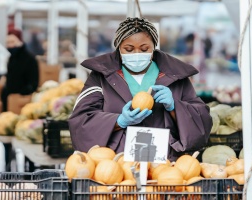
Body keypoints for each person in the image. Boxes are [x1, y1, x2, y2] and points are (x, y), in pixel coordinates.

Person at [69, 17, 212, 161]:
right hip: (117, 162)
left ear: (154, 47)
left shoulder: (176, 76)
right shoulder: (101, 76)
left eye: (144, 49)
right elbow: (80, 122)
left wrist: (175, 107)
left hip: (164, 162)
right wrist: (119, 121)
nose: (136, 54)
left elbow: (202, 122)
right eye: (128, 49)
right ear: (118, 48)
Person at [1, 28, 39, 111]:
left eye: (12, 42)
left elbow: (33, 82)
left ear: (20, 41)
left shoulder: (29, 58)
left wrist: (22, 93)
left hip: (22, 101)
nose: (10, 45)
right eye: (8, 43)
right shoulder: (11, 58)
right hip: (10, 99)